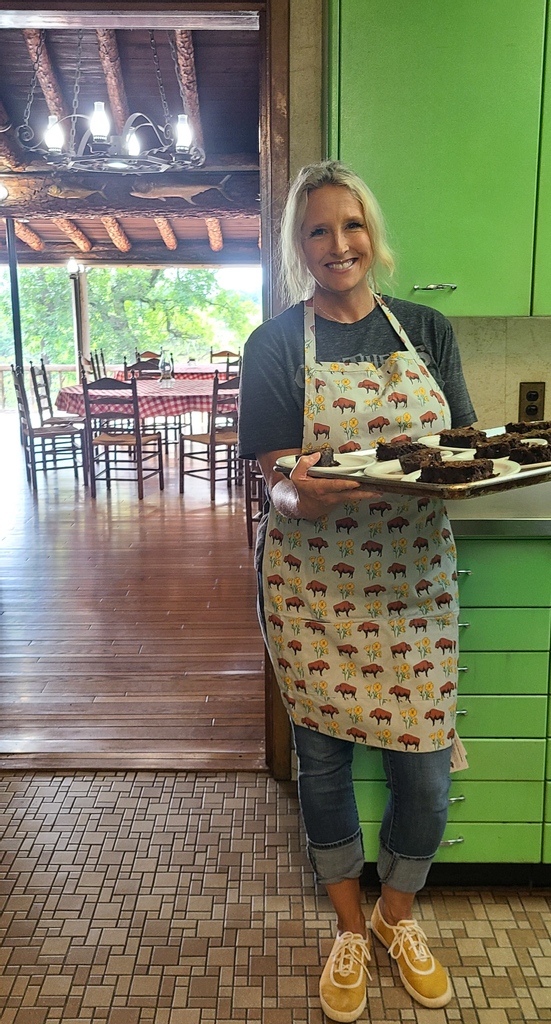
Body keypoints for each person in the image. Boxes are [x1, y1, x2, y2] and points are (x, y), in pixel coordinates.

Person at [238, 161, 475, 1023]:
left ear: (371, 234)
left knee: (423, 779)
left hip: (413, 582)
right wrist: (301, 492)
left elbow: (456, 448)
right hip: (313, 585)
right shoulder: (273, 345)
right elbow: (273, 475)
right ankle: (347, 926)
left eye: (351, 226)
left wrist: (461, 478)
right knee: (324, 767)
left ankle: (395, 915)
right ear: (298, 248)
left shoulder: (426, 328)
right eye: (317, 231)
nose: (338, 246)